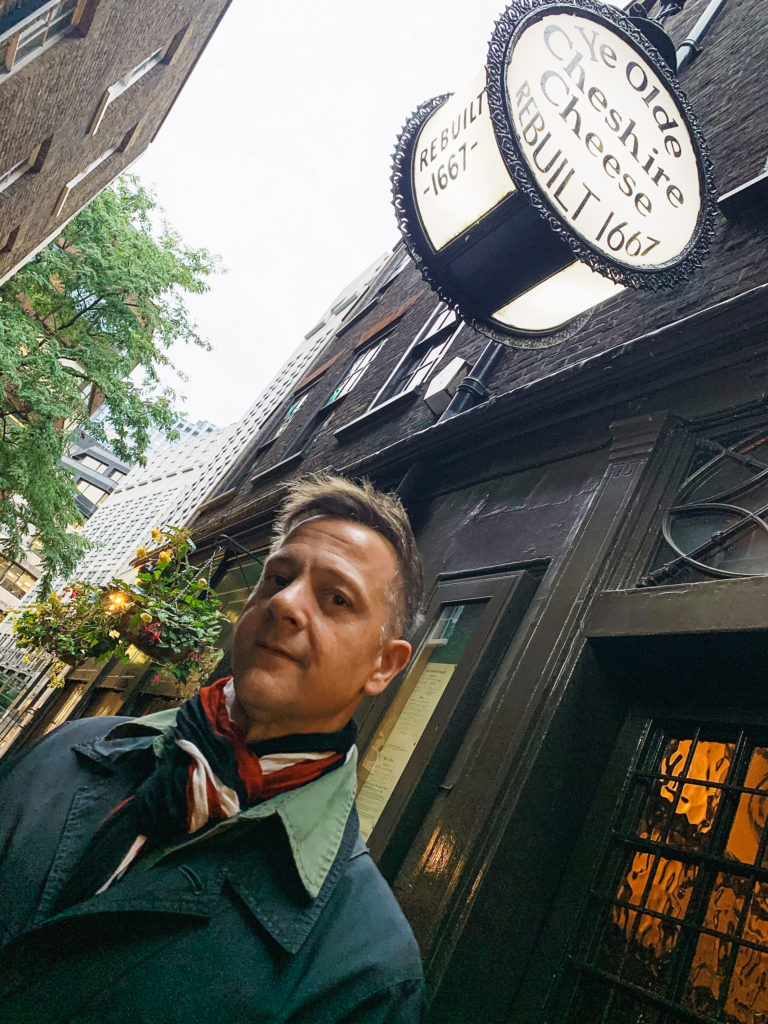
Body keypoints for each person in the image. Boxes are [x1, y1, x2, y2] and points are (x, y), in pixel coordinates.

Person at [0, 473, 426, 1023]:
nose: (286, 603)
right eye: (278, 577)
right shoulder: (70, 749)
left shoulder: (366, 972)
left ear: (383, 665)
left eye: (336, 598)